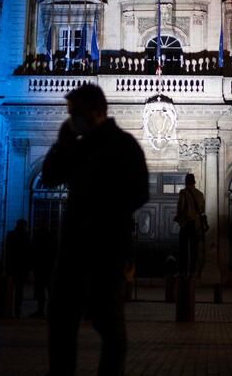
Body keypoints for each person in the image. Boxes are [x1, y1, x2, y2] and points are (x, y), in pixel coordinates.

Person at [42, 83, 149, 376]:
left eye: (76, 113)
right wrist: (62, 143)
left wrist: (105, 208)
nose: (72, 118)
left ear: (97, 112)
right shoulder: (77, 146)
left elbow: (140, 193)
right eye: (71, 113)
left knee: (109, 325)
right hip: (75, 249)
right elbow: (49, 177)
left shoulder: (123, 145)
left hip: (106, 248)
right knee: (62, 321)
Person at [175, 173, 205, 277]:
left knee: (183, 249)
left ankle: (183, 271)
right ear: (194, 182)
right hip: (196, 225)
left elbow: (180, 207)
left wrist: (178, 218)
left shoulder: (183, 192)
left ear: (186, 182)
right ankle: (192, 271)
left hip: (186, 223)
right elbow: (202, 209)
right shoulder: (200, 194)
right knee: (194, 249)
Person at [5, 219, 32, 318]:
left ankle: (8, 310)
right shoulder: (26, 236)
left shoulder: (10, 235)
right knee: (19, 291)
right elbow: (28, 253)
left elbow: (7, 250)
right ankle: (17, 311)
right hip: (21, 268)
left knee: (9, 290)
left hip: (12, 266)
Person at [31, 225, 56, 318]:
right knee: (50, 291)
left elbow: (33, 252)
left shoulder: (37, 239)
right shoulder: (51, 238)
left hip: (40, 268)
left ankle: (41, 310)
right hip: (49, 268)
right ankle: (52, 311)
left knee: (41, 292)